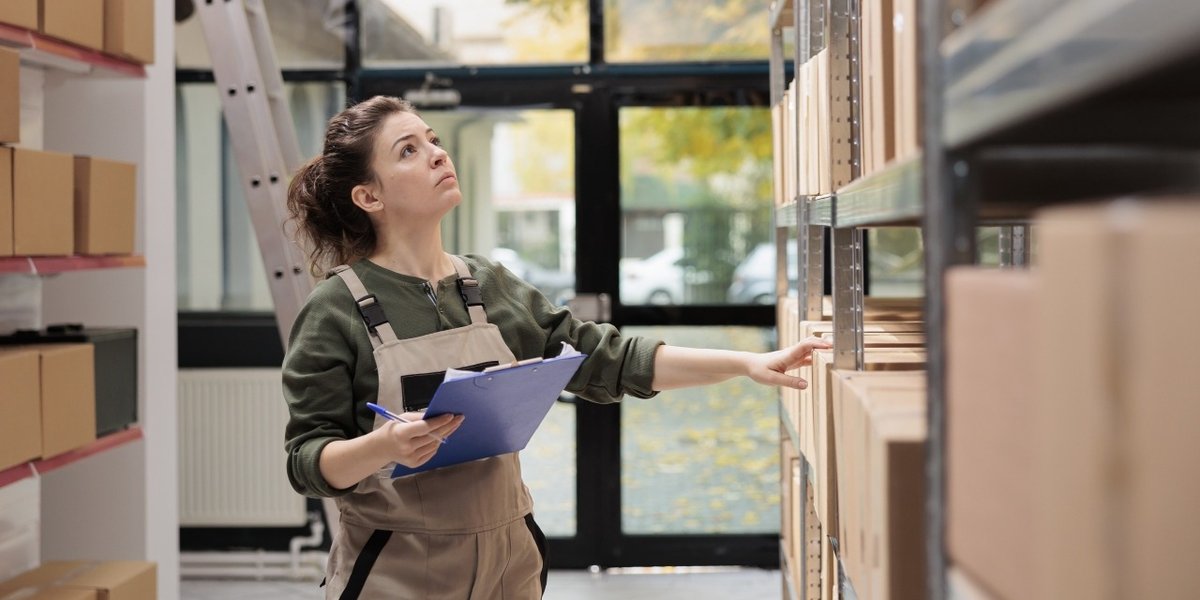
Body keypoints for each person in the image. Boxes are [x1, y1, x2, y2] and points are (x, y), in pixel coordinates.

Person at [282, 95, 831, 600]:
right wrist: (383, 446)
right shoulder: (336, 310)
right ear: (369, 196)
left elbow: (609, 360)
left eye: (432, 139)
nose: (436, 154)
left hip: (509, 564)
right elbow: (307, 461)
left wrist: (747, 363)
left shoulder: (489, 285)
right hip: (397, 570)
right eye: (408, 150)